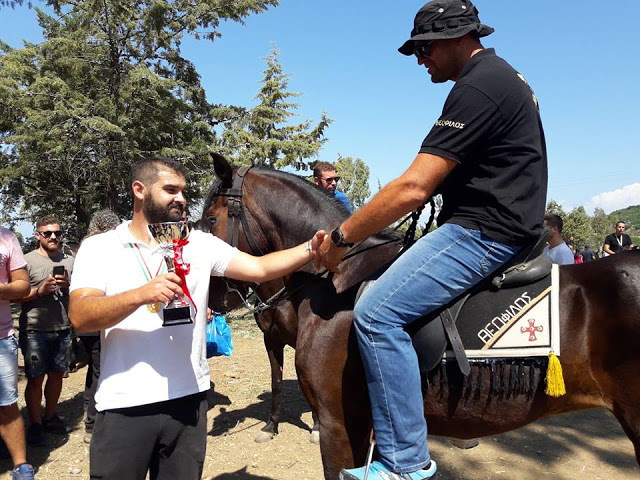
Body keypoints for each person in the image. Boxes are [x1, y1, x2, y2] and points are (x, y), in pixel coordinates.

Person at [316, 1, 548, 478]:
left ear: (458, 37)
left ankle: (404, 463)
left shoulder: (479, 85)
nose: (420, 59)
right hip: (496, 222)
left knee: (377, 313)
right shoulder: (502, 78)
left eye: (424, 47)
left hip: (485, 232)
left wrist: (340, 238)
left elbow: (413, 186)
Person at [68, 156, 325, 480]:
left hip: (188, 405)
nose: (181, 198)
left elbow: (260, 268)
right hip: (123, 408)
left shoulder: (198, 244)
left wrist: (310, 248)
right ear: (139, 190)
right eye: (170, 190)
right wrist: (140, 295)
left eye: (183, 191)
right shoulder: (101, 247)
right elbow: (80, 316)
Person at [18, 216, 74, 445]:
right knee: (35, 379)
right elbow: (16, 295)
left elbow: (82, 293)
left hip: (63, 327)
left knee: (57, 375)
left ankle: (50, 417)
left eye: (57, 233)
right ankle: (35, 424)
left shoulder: (70, 260)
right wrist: (39, 291)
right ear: (37, 235)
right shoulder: (26, 261)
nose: (53, 237)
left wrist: (68, 285)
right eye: (48, 233)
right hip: (34, 329)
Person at [77, 209, 120, 445]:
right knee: (100, 371)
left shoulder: (86, 244)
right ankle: (93, 423)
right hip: (97, 319)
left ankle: (88, 409)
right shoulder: (100, 248)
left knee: (94, 367)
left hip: (86, 322)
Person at [0, 228, 36, 480]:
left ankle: (21, 465)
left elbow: (23, 286)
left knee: (6, 403)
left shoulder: (6, 238)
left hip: (0, 338)